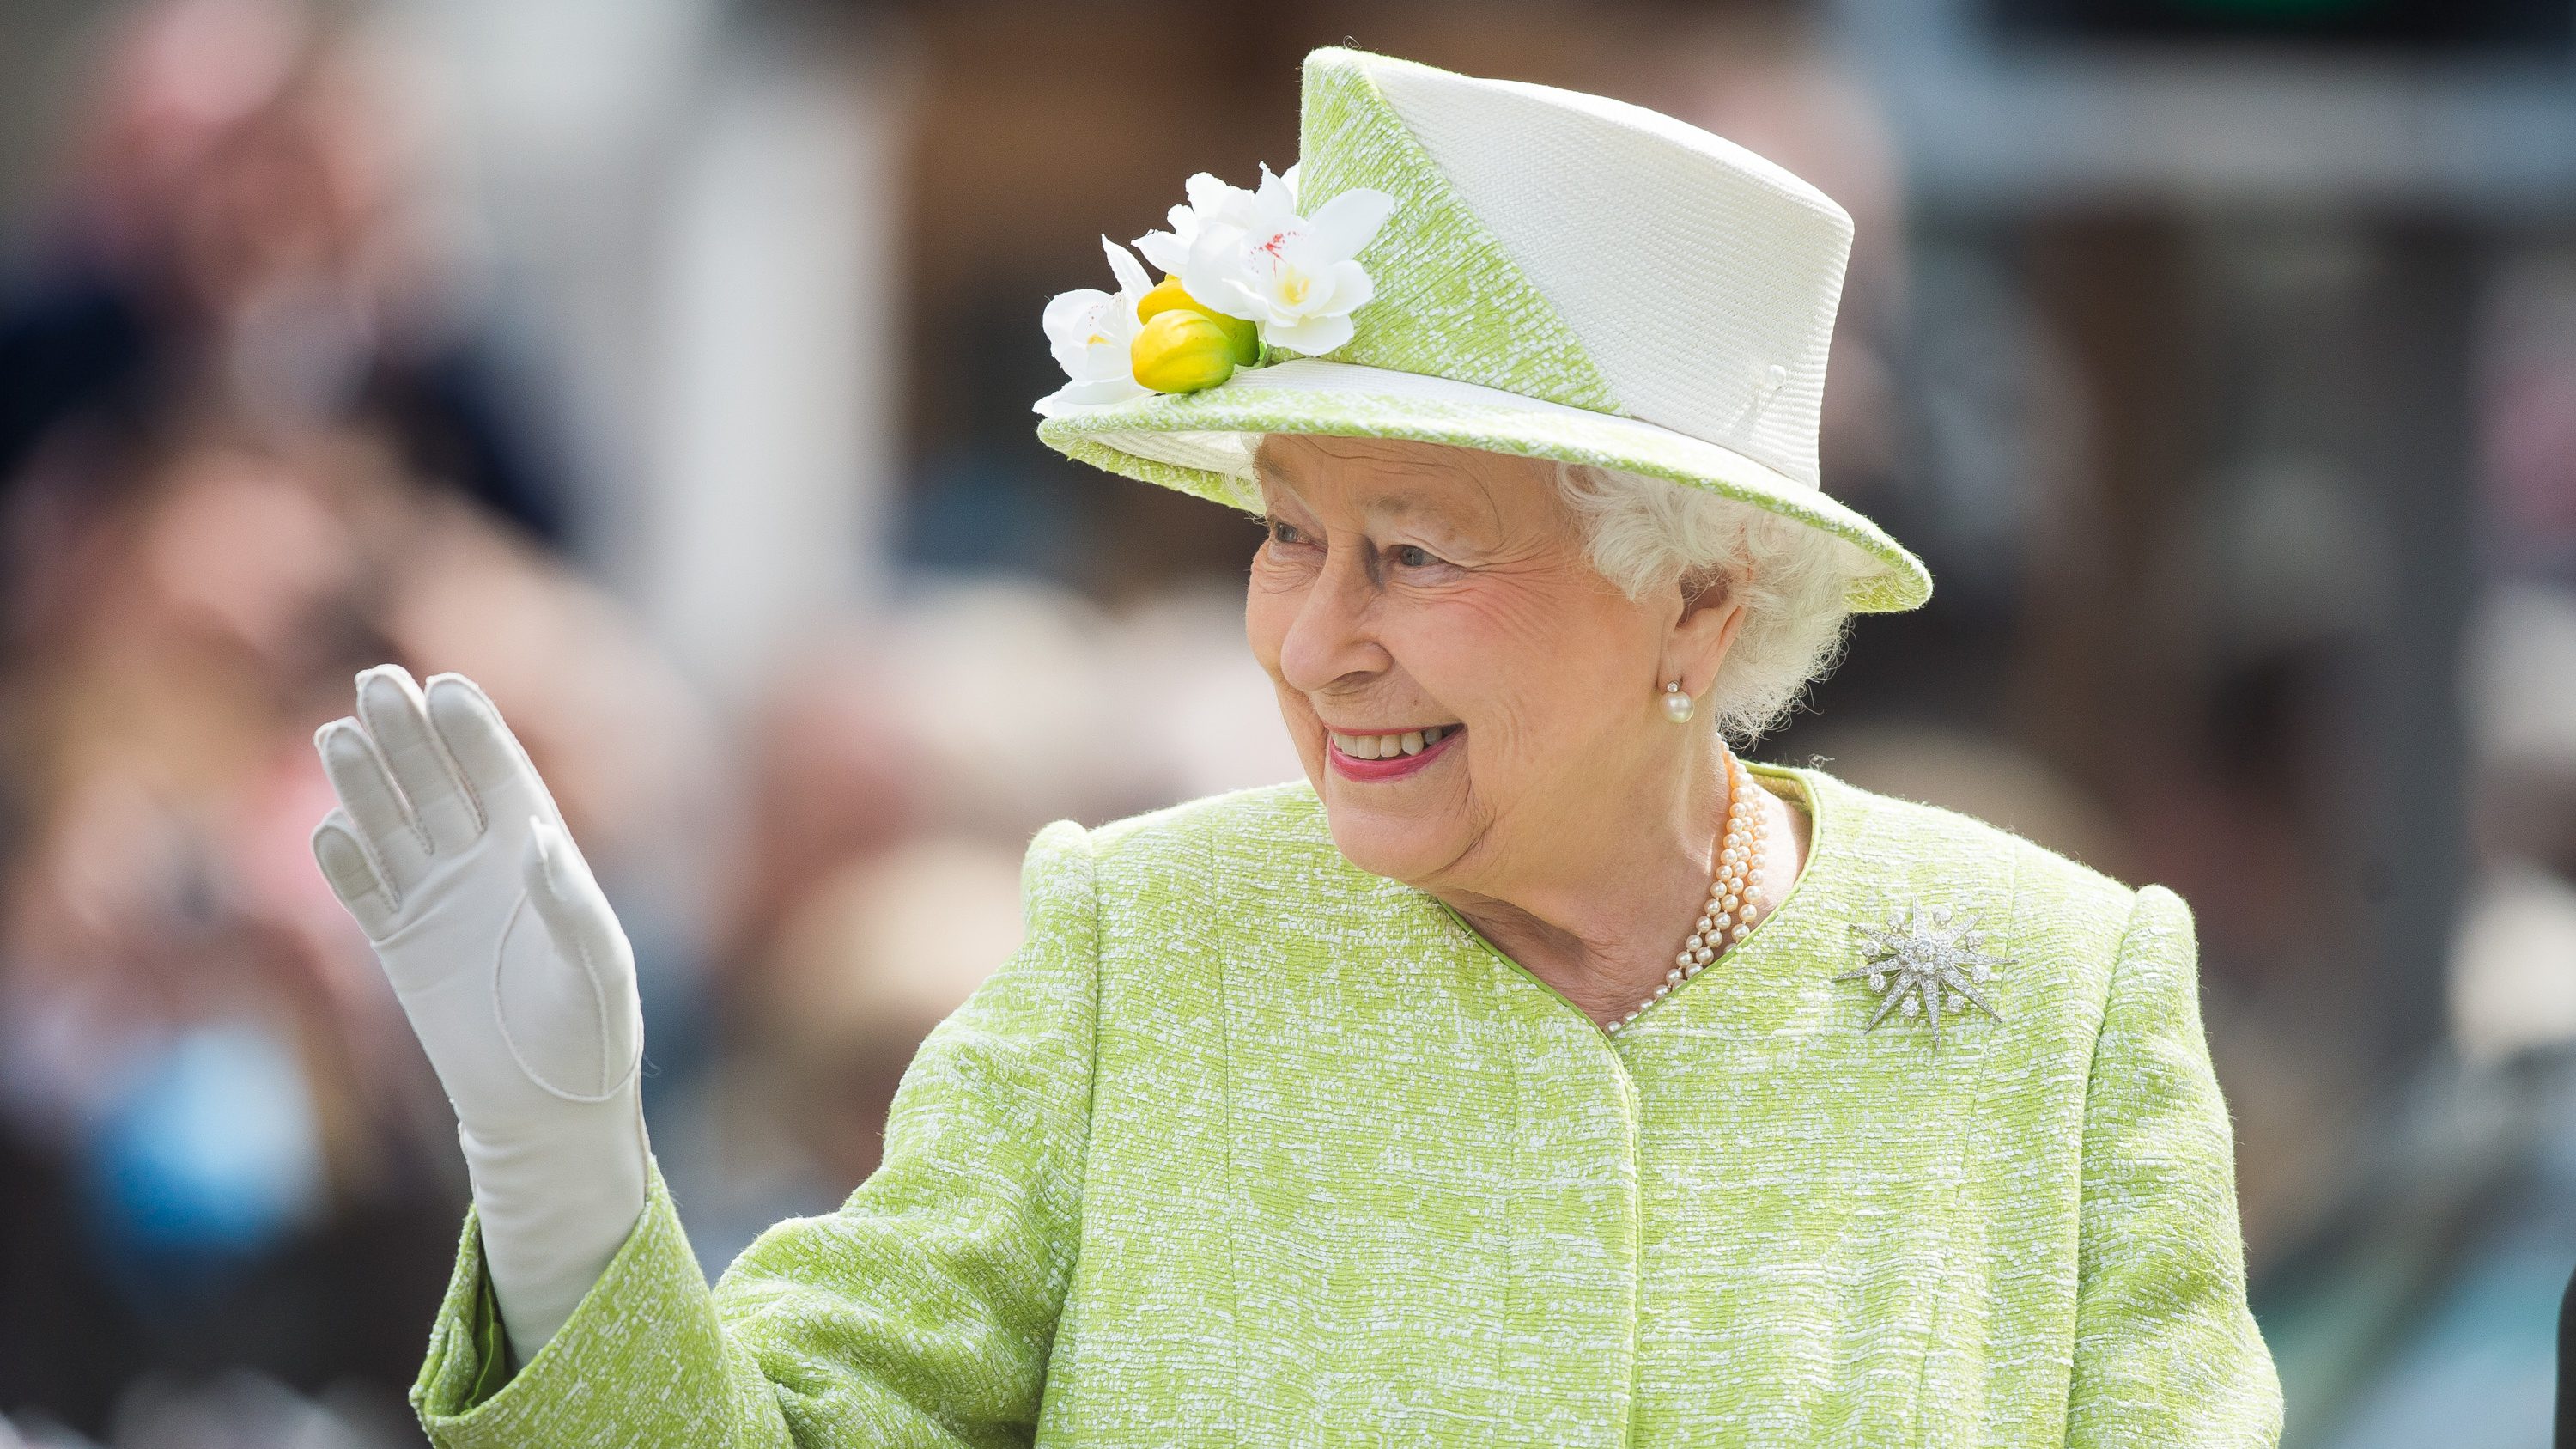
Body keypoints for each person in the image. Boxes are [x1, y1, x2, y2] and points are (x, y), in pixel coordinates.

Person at [307, 47, 2282, 1446]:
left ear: (1696, 601)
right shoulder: (1138, 950)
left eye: (1411, 555)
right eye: (1283, 534)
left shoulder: (2059, 993)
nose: (1317, 639)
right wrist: (560, 1167)